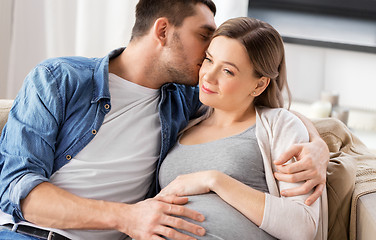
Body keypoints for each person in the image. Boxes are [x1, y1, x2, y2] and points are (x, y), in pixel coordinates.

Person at [0, 1, 328, 240]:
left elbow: (260, 111)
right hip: (30, 234)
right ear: (163, 31)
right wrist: (128, 217)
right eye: (204, 38)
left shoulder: (182, 100)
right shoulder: (60, 79)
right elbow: (16, 188)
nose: (208, 59)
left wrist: (316, 146)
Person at [158, 17, 327, 240]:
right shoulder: (185, 120)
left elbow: (302, 227)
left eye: (227, 71)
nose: (208, 75)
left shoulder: (278, 124)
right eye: (209, 60)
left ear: (259, 85)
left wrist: (214, 181)